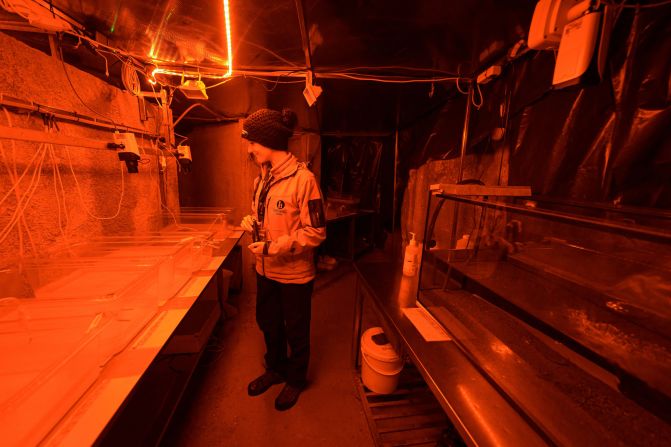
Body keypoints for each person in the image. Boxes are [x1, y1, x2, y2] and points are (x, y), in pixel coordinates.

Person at [239, 108, 326, 411]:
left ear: (269, 140)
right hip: (265, 270)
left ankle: (296, 379)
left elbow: (315, 233)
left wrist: (274, 247)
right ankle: (275, 368)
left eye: (253, 143)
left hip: (294, 275)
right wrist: (251, 221)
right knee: (269, 323)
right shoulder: (261, 180)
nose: (250, 149)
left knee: (296, 330)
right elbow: (264, 216)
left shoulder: (304, 181)